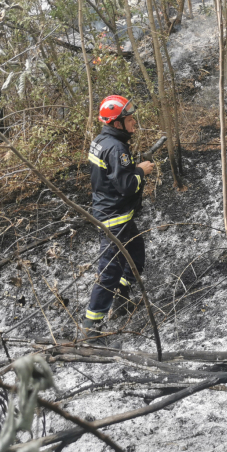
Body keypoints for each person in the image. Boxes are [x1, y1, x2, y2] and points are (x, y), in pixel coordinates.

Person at [82, 95, 155, 342]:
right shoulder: (116, 148)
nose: (135, 123)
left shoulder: (103, 140)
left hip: (114, 213)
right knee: (109, 271)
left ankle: (122, 297)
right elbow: (126, 186)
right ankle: (91, 329)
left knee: (136, 253)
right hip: (114, 218)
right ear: (117, 124)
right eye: (130, 120)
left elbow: (111, 175)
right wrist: (140, 172)